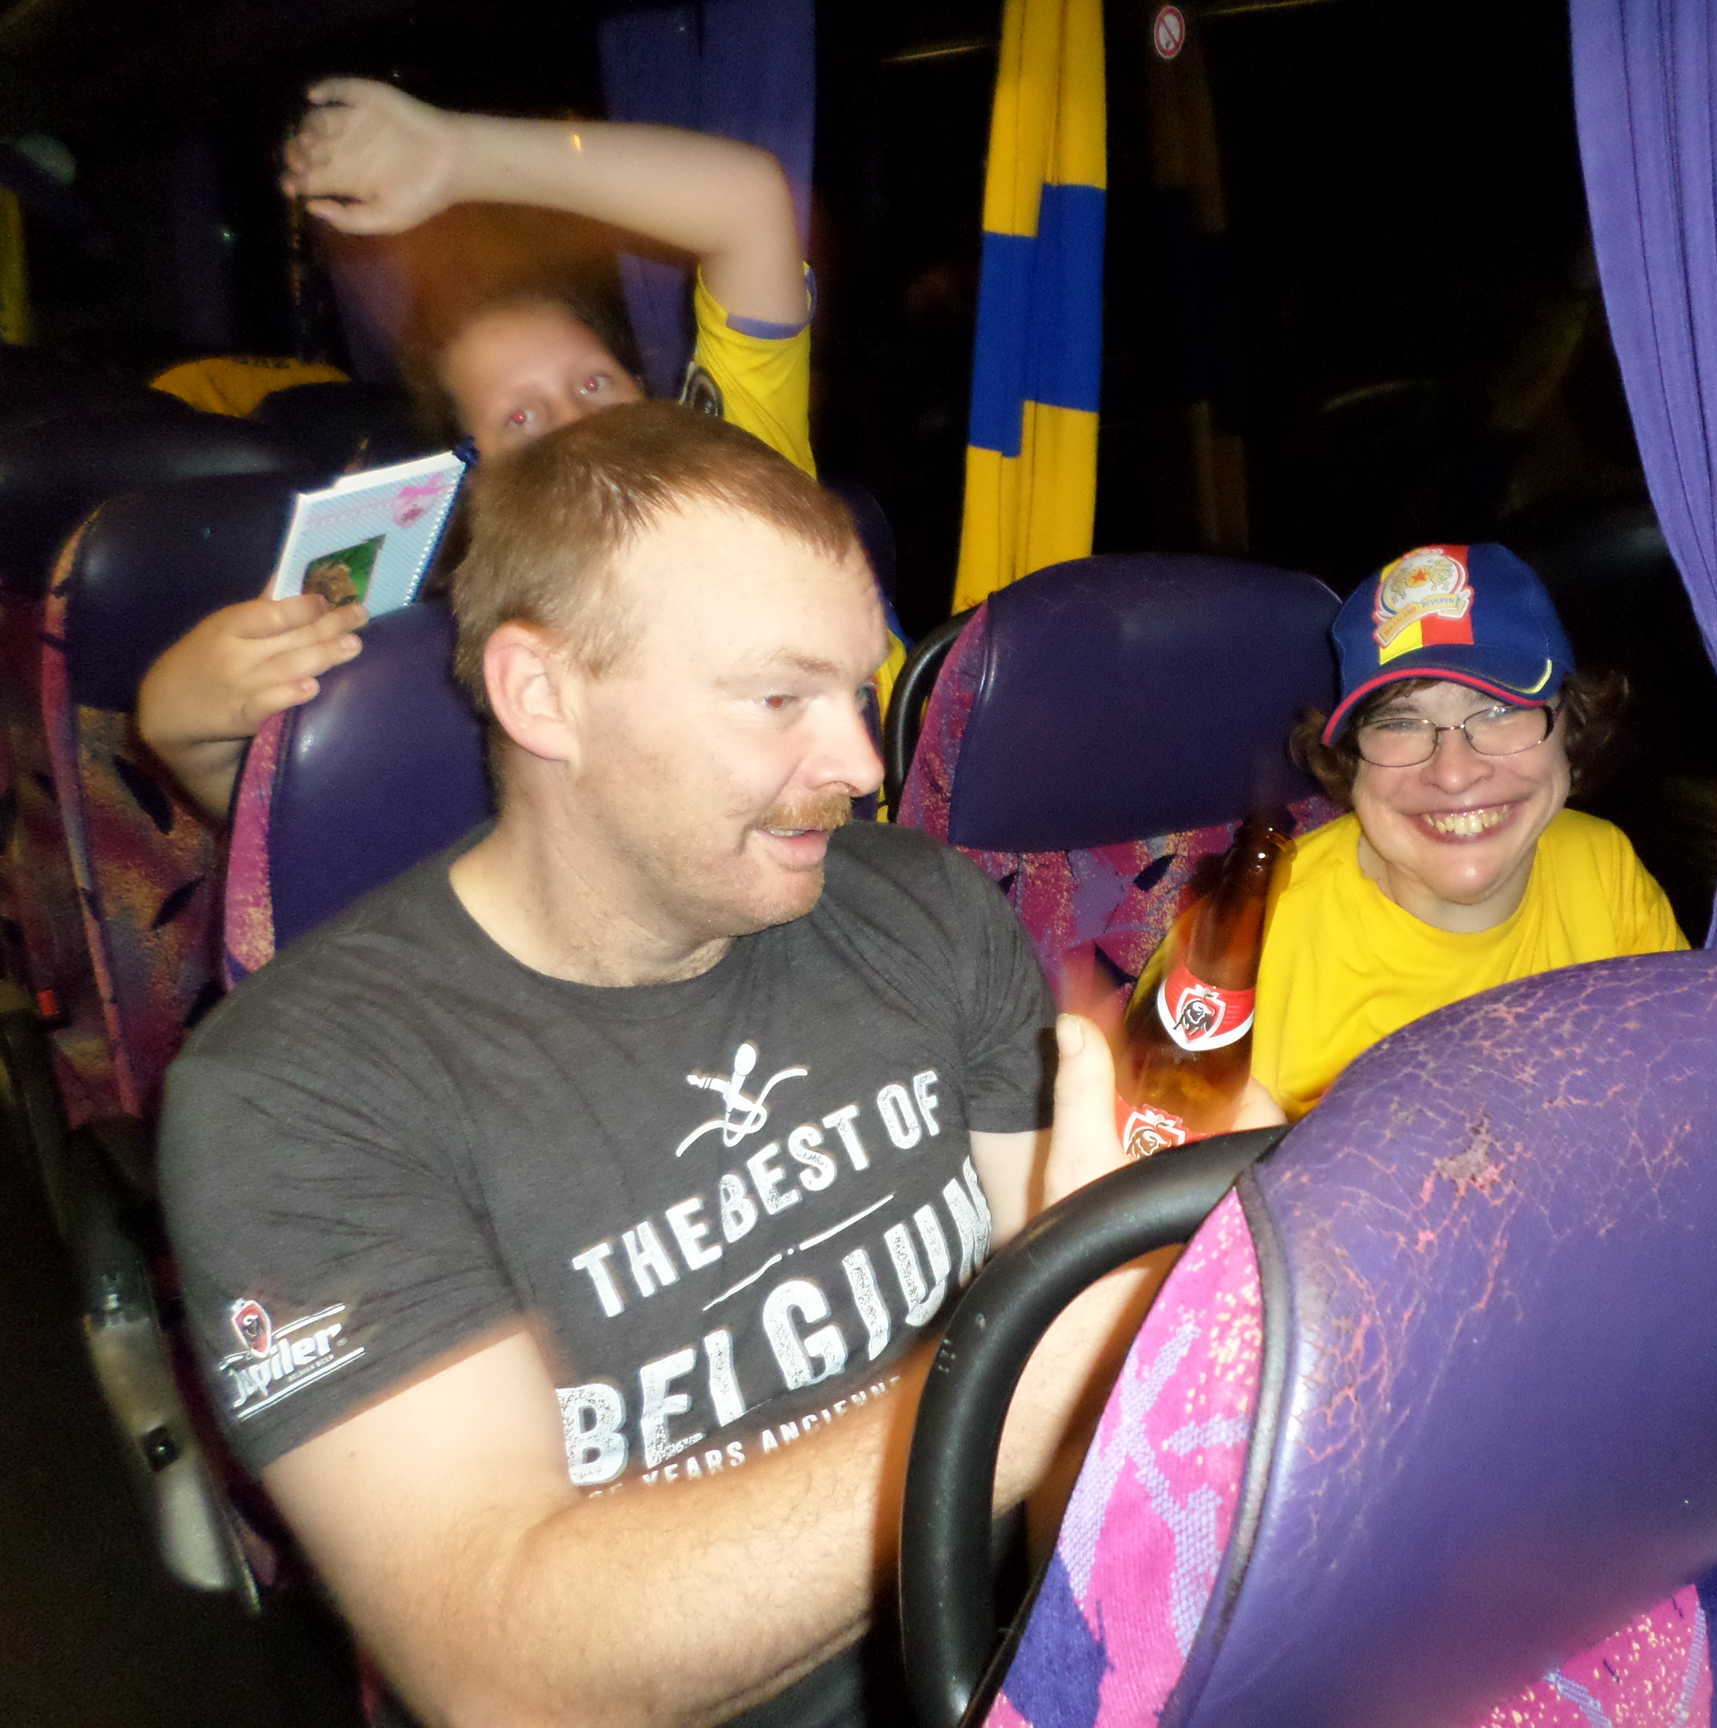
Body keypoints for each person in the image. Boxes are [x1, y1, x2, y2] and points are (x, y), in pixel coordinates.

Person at [158, 402, 1167, 1728]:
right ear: (544, 695)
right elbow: (502, 1673)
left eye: (858, 692)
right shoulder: (298, 1094)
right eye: (778, 699)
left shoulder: (919, 907)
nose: (860, 764)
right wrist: (1024, 1387)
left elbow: (1077, 1346)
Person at [137, 77, 900, 822]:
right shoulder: (494, 649)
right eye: (523, 418)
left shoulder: (739, 465)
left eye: (595, 383)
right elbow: (327, 836)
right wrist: (187, 735)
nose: (579, 424)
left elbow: (748, 204)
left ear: (643, 390)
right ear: (477, 475)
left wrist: (458, 156)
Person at [1250, 541, 1687, 1119]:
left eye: (1501, 711)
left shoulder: (1603, 869)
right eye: (1400, 722)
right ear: (1351, 758)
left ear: (1572, 726)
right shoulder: (1246, 941)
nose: (1454, 774)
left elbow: (1681, 1102)